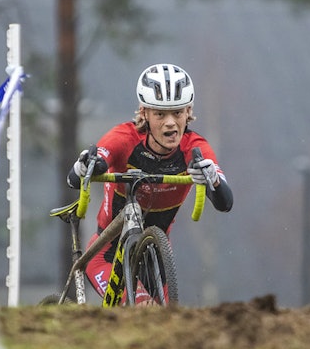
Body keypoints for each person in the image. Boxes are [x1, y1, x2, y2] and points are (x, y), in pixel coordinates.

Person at [67, 63, 233, 305]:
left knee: (167, 326)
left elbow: (225, 202)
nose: (170, 123)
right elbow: (83, 172)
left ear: (188, 112)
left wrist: (213, 180)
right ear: (144, 113)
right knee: (143, 310)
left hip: (154, 253)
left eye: (177, 113)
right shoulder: (124, 138)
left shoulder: (195, 148)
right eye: (160, 114)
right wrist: (85, 166)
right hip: (108, 253)